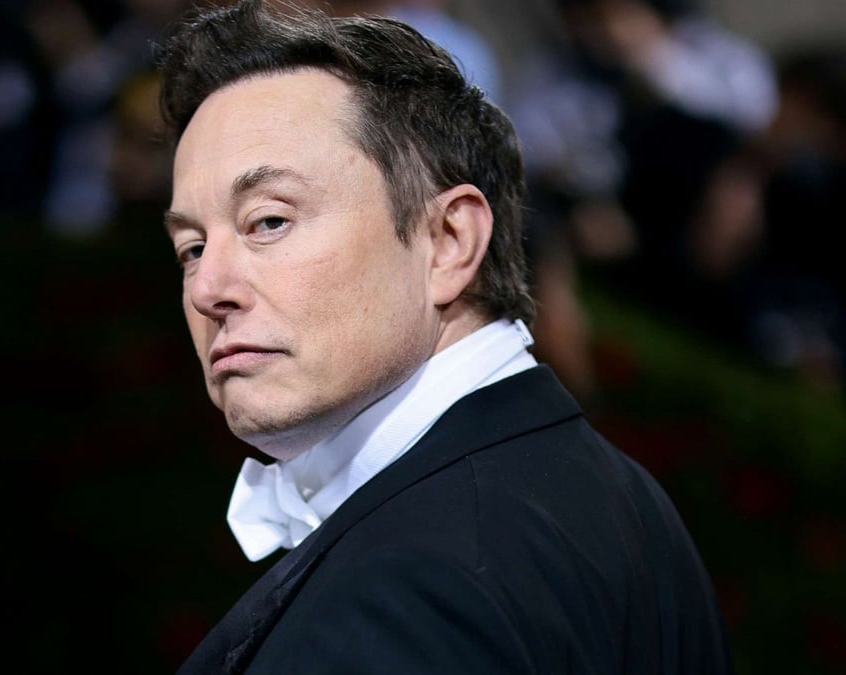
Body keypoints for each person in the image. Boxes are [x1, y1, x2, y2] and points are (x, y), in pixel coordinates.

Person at [154, 0, 733, 672]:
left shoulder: (418, 583)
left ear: (449, 240)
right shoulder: (607, 495)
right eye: (192, 247)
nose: (206, 288)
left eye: (269, 221)